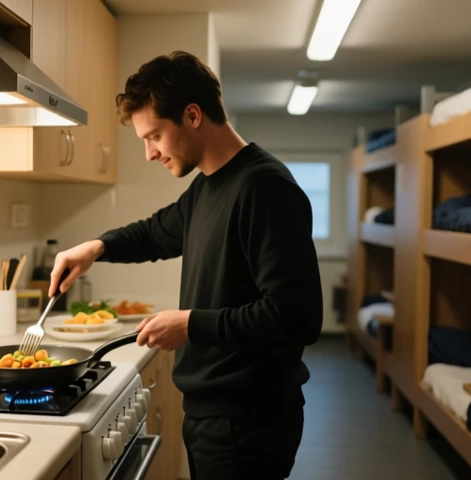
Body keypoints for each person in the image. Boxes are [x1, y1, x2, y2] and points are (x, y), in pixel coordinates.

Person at [47, 51, 323, 480]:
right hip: (214, 415)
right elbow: (155, 233)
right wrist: (96, 248)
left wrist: (190, 324)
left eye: (154, 136)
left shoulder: (265, 189)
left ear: (193, 115)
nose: (149, 153)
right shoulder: (208, 187)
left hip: (247, 423)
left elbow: (297, 317)